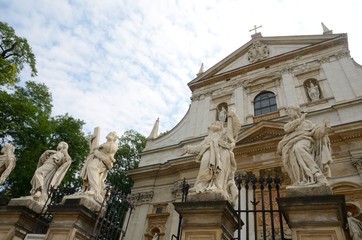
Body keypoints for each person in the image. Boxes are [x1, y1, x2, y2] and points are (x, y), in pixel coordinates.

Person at [182, 110, 241, 205]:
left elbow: (236, 128)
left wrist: (233, 116)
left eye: (218, 123)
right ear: (210, 127)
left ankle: (218, 187)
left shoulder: (225, 133)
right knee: (204, 168)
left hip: (222, 154)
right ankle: (201, 186)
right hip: (208, 154)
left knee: (220, 172)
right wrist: (188, 148)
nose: (216, 124)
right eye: (214, 123)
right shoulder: (208, 138)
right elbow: (198, 148)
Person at [277, 106, 332, 186]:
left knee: (299, 148)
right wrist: (300, 120)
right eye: (288, 112)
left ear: (296, 111)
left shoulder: (308, 123)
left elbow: (316, 133)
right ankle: (303, 178)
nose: (289, 113)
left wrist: (324, 129)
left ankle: (315, 173)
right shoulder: (288, 124)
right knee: (294, 151)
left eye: (290, 111)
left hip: (306, 140)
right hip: (292, 143)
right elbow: (287, 129)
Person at [80, 131, 118, 202]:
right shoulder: (103, 144)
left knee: (92, 168)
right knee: (91, 169)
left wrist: (99, 148)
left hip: (102, 162)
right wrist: (91, 141)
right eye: (109, 133)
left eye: (112, 134)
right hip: (96, 159)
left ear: (114, 138)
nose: (110, 134)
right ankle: (91, 189)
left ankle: (94, 190)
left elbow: (111, 149)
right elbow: (93, 150)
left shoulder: (113, 144)